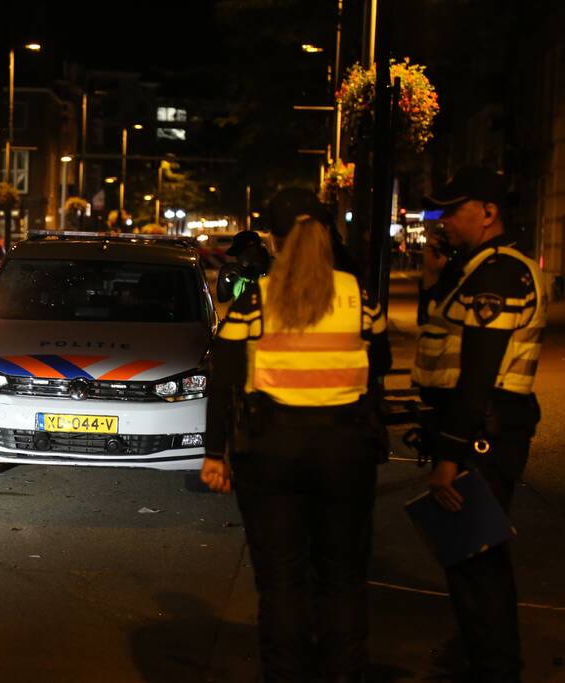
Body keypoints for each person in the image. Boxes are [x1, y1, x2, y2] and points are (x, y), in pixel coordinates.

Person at [202, 189, 391, 682]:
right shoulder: (357, 296)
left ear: (272, 241)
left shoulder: (256, 301)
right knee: (343, 580)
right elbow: (381, 362)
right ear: (326, 236)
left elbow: (223, 374)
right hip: (346, 452)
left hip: (272, 452)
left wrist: (214, 453)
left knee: (281, 584)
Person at [415, 166, 544, 682]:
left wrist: (450, 455)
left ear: (488, 213)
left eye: (452, 210)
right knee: (467, 557)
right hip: (477, 430)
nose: (442, 221)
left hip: (484, 433)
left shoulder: (498, 273)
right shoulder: (476, 267)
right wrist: (435, 276)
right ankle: (481, 655)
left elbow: (478, 375)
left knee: (479, 560)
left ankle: (494, 666)